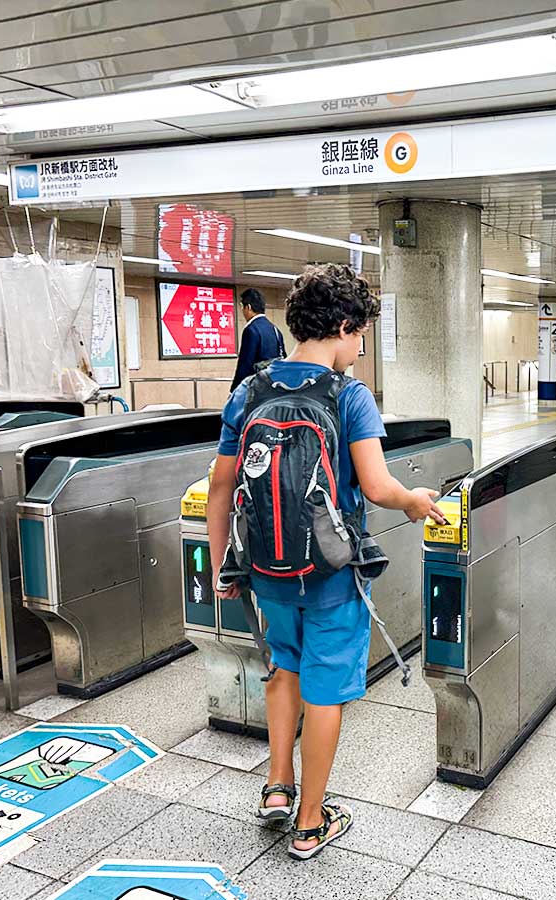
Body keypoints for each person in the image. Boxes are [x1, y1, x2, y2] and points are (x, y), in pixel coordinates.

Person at [207, 264, 446, 859]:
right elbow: (378, 485)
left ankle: (276, 790)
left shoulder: (251, 391)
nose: (361, 350)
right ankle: (311, 823)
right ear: (343, 326)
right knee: (325, 690)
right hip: (333, 572)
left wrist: (221, 568)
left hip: (266, 568)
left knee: (282, 669)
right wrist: (415, 502)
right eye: (360, 336)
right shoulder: (349, 397)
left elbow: (219, 485)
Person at [231, 288, 287, 389]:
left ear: (248, 307)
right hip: (275, 386)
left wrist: (234, 390)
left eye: (242, 307)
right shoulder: (275, 329)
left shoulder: (251, 329)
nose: (243, 311)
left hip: (258, 388)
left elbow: (245, 364)